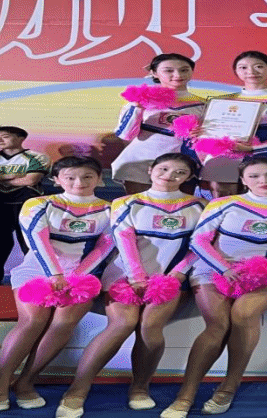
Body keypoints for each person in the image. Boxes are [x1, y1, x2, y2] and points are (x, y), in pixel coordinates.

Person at [55, 154, 207, 417]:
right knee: (122, 324)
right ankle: (77, 390)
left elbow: (201, 243)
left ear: (189, 177)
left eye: (179, 172)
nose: (169, 176)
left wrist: (179, 273)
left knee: (150, 327)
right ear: (150, 169)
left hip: (169, 279)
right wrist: (136, 276)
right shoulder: (126, 202)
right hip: (124, 275)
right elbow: (123, 239)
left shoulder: (199, 205)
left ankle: (140, 387)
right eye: (163, 169)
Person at [161, 157, 267, 418]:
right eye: (254, 176)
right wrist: (224, 269)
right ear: (243, 180)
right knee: (217, 325)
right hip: (213, 269)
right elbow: (199, 242)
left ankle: (229, 386)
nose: (264, 181)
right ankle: (186, 394)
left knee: (243, 315)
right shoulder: (224, 203)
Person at [0, 157, 114, 413]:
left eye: (87, 176)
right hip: (37, 271)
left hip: (82, 276)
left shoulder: (111, 210)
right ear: (56, 180)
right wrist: (55, 274)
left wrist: (75, 277)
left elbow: (104, 247)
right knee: (32, 320)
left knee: (63, 323)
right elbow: (37, 241)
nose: (79, 182)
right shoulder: (38, 204)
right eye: (70, 177)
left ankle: (26, 381)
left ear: (100, 179)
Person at [199, 51, 267, 197]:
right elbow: (209, 132)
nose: (251, 72)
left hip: (263, 159)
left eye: (259, 66)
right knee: (222, 200)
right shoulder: (223, 101)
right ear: (236, 72)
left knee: (263, 201)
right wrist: (199, 133)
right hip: (222, 159)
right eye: (243, 68)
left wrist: (252, 148)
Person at [112, 53, 206, 195]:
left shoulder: (204, 105)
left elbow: (211, 138)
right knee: (140, 204)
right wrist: (137, 107)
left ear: (192, 71)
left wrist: (200, 133)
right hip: (141, 162)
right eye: (168, 70)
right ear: (154, 73)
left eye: (184, 70)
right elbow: (125, 134)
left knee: (180, 205)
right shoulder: (141, 100)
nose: (177, 75)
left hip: (183, 163)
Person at [0, 126, 51, 284]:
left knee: (30, 243)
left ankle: (36, 281)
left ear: (21, 138)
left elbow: (31, 180)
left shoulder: (37, 157)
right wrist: (10, 175)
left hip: (27, 205)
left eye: (4, 136)